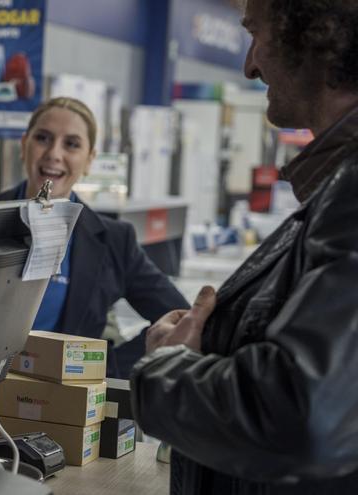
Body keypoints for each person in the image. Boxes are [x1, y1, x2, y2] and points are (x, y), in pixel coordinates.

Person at [130, 1, 358, 493]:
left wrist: (168, 368)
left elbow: (304, 414)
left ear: (319, 37)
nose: (249, 65)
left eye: (257, 35)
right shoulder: (333, 191)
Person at [0, 96, 189, 377]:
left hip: (60, 408)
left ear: (89, 160)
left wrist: (105, 365)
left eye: (71, 144)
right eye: (43, 138)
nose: (54, 153)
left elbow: (181, 317)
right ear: (24, 146)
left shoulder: (113, 239)